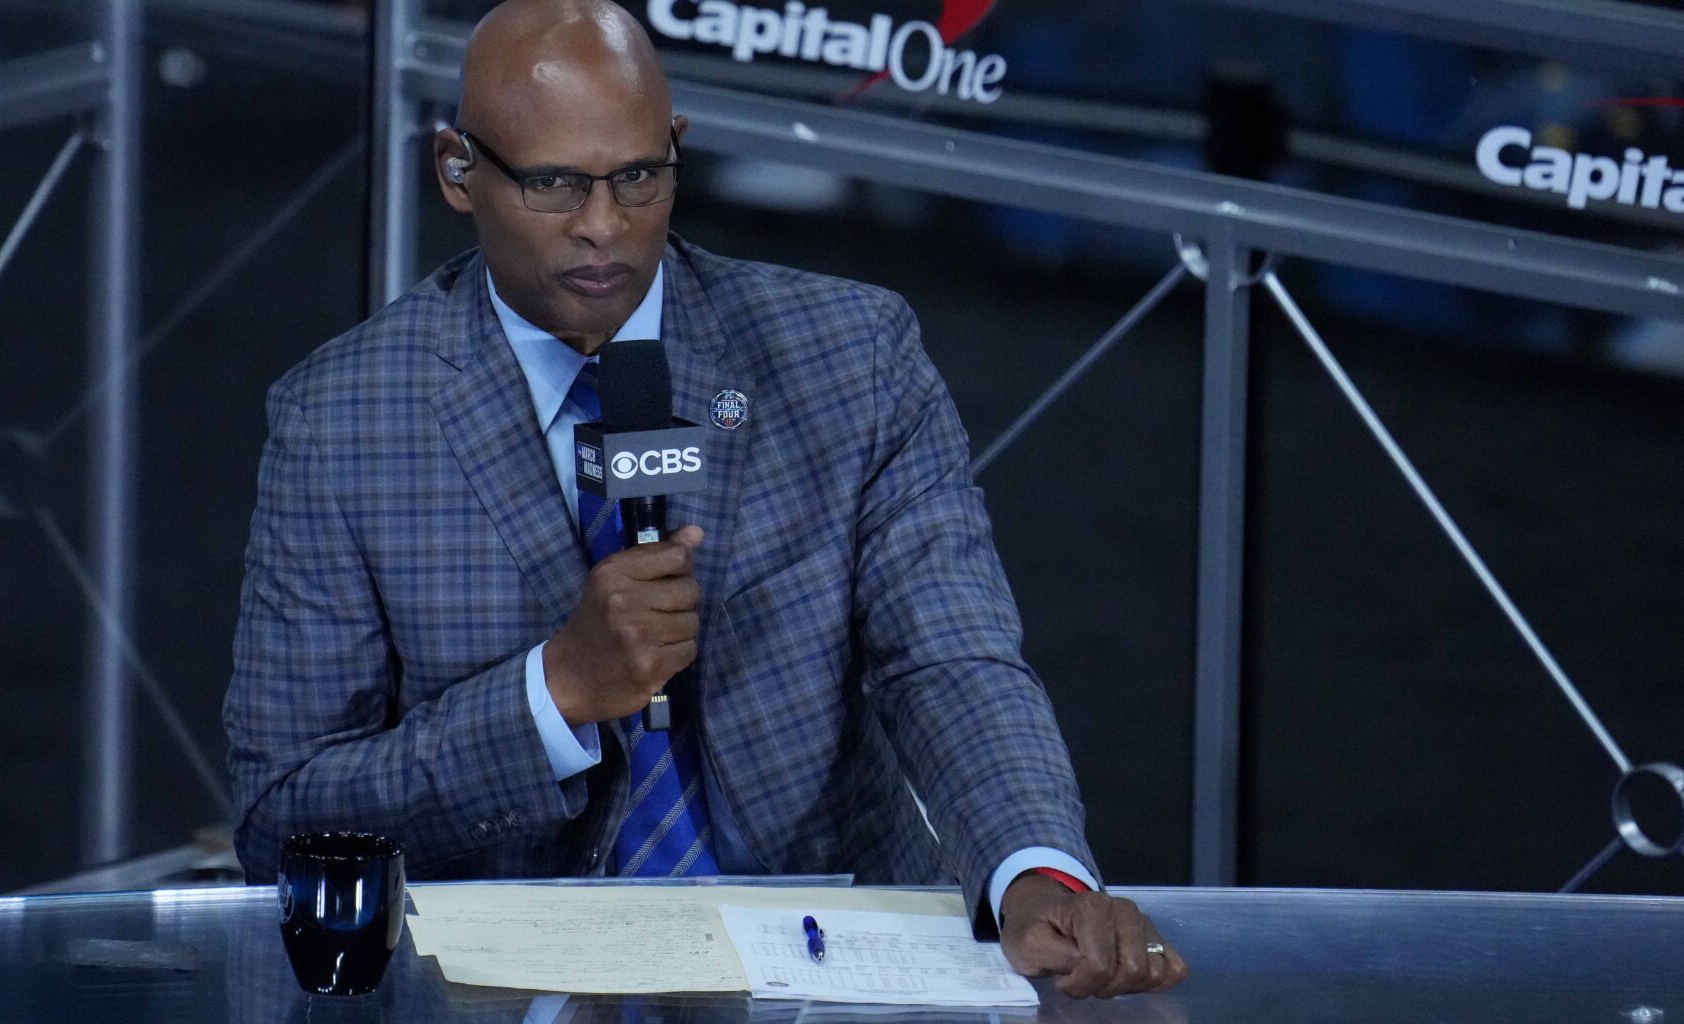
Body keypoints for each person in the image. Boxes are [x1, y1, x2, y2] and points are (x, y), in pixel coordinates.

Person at [224, 0, 1188, 1000]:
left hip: (827, 969)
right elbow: (280, 815)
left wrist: (1034, 871)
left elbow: (951, 656)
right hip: (509, 991)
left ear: (675, 149)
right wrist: (550, 694)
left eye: (637, 176)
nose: (603, 225)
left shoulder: (853, 357)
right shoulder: (338, 423)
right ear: (457, 171)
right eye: (555, 183)